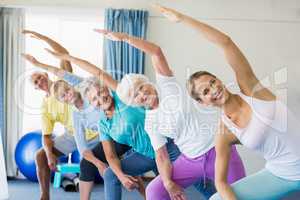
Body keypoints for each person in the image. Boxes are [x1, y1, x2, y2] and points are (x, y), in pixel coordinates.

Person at [154, 5, 300, 200]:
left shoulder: (251, 90)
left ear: (219, 80)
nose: (214, 89)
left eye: (213, 82)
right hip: (280, 174)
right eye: (206, 91)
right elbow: (220, 182)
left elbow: (226, 43)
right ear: (203, 102)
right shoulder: (224, 132)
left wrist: (182, 19)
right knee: (216, 198)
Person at [44, 46, 220, 200]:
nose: (100, 98)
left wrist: (68, 58)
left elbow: (98, 72)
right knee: (111, 174)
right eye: (94, 99)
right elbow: (110, 156)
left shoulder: (122, 96)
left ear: (106, 88)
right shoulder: (104, 124)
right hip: (144, 155)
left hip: (168, 150)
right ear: (91, 103)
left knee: (201, 185)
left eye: (100, 92)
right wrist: (121, 176)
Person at [93, 26, 246, 200]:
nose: (142, 94)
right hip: (190, 160)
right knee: (155, 191)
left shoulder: (167, 85)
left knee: (241, 195)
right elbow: (161, 155)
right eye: (136, 95)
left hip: (218, 149)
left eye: (142, 87)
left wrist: (125, 38)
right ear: (133, 102)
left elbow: (156, 52)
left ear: (147, 82)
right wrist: (168, 182)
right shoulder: (151, 122)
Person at [22, 51, 143, 199]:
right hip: (101, 134)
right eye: (64, 96)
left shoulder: (82, 86)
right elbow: (81, 147)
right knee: (87, 164)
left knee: (125, 165)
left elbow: (63, 66)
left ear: (71, 86)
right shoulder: (73, 114)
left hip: (119, 129)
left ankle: (147, 192)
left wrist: (38, 64)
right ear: (62, 101)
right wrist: (99, 164)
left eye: (68, 90)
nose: (68, 95)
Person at [22, 30, 76, 200]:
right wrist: (49, 153)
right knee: (40, 155)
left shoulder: (64, 81)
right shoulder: (45, 106)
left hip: (91, 130)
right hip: (72, 135)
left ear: (45, 74)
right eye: (36, 83)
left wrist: (42, 37)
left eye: (39, 77)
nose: (39, 82)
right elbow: (46, 136)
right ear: (37, 88)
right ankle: (44, 196)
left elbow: (64, 54)